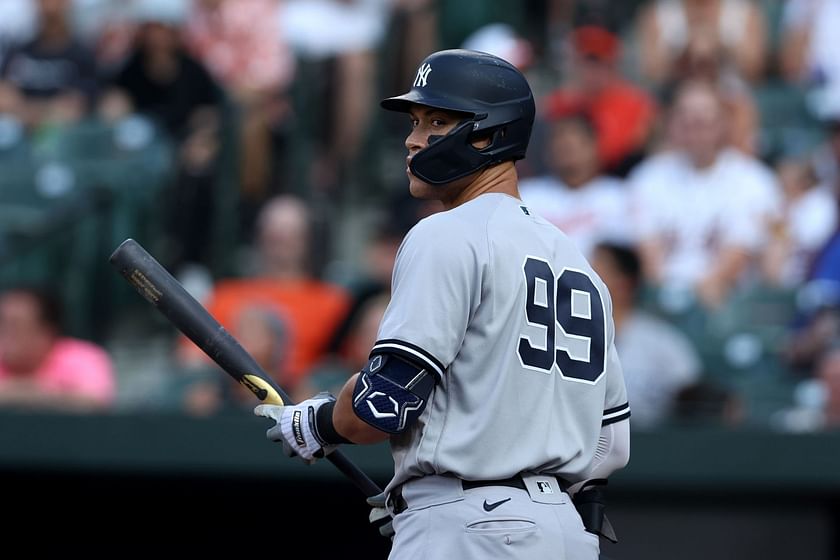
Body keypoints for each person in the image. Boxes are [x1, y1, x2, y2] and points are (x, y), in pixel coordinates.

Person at [253, 49, 631, 559]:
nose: (412, 139)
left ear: (488, 134)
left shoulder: (447, 234)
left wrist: (317, 424)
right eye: (415, 121)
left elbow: (382, 405)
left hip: (469, 528)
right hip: (563, 534)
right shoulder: (581, 266)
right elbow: (610, 447)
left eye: (437, 121)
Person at [590, 242, 702, 429]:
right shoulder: (567, 336)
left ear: (624, 282)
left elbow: (694, 396)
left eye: (598, 269)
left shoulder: (661, 340)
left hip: (651, 444)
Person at [0, 286, 116, 411]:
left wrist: (22, 392)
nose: (5, 334)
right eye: (2, 324)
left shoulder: (83, 358)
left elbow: (93, 402)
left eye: (15, 325)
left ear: (46, 332)